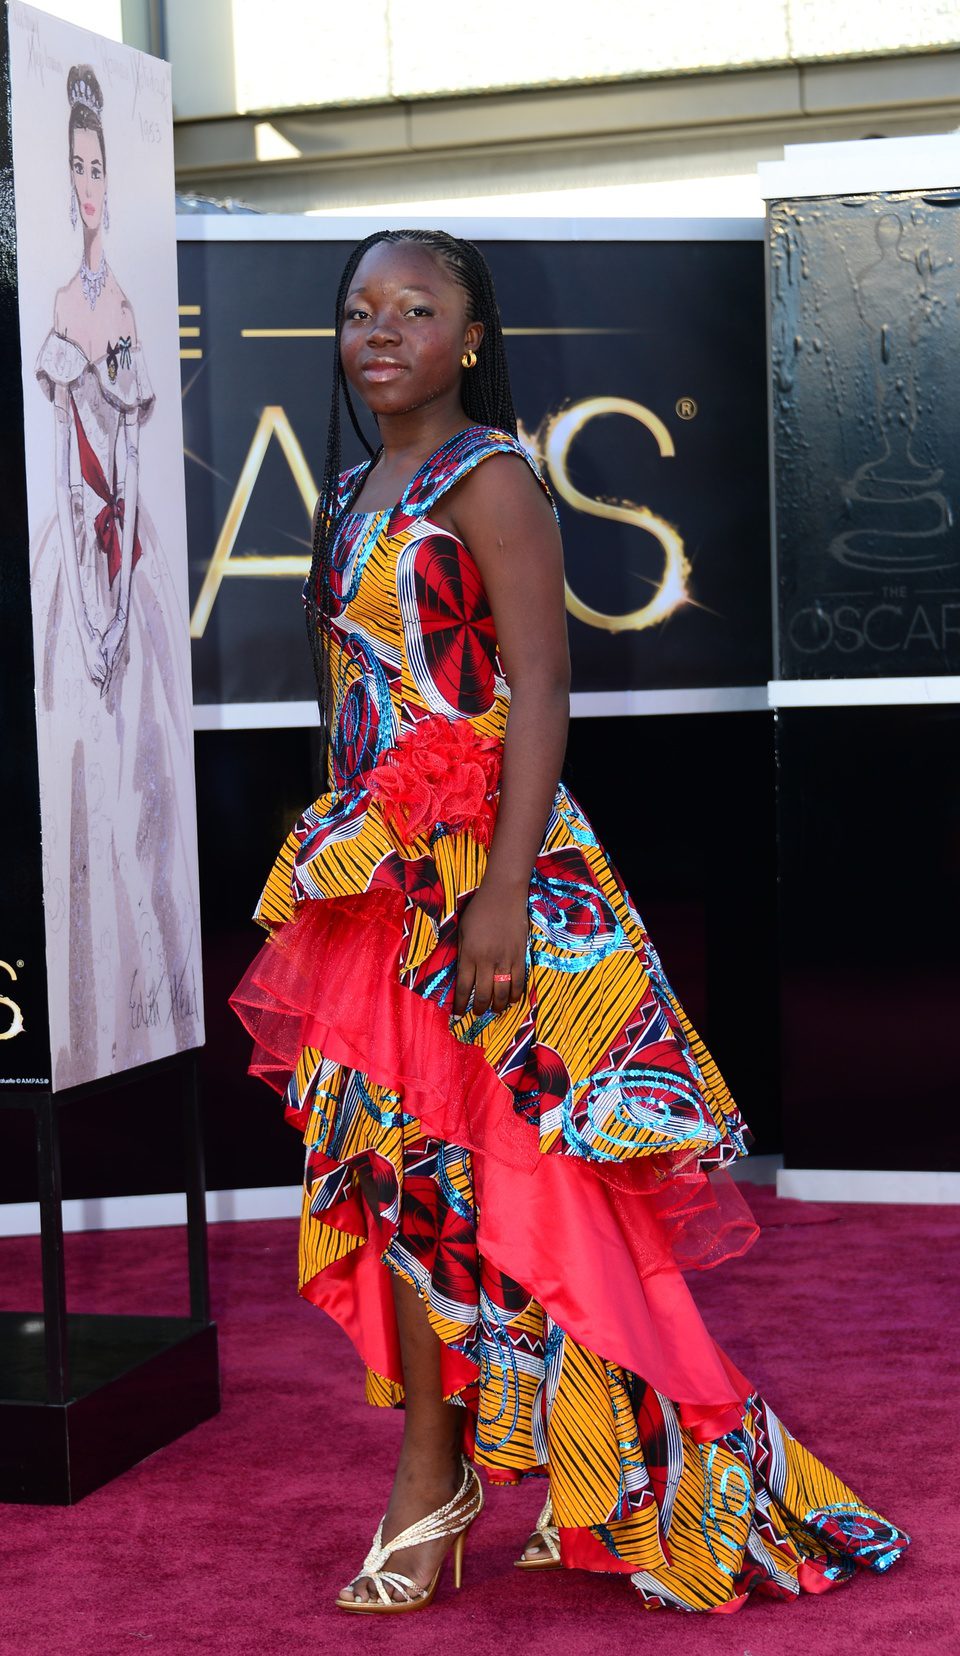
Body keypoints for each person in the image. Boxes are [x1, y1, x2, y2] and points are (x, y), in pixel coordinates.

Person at [231, 229, 908, 1614]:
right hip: (376, 884)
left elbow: (537, 691)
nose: (381, 332)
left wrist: (498, 898)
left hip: (492, 871)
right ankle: (443, 1465)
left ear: (470, 337)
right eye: (361, 310)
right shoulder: (355, 490)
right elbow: (352, 706)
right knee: (401, 1180)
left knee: (537, 1189)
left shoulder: (491, 480)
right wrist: (335, 870)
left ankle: (601, 1468)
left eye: (417, 309)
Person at [32, 64, 200, 1086]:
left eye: (101, 168)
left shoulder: (125, 299)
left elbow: (133, 451)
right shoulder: (58, 296)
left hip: (128, 561)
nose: (91, 185)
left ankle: (151, 986)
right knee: (82, 775)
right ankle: (88, 999)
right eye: (79, 168)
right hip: (71, 555)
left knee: (141, 767)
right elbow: (65, 452)